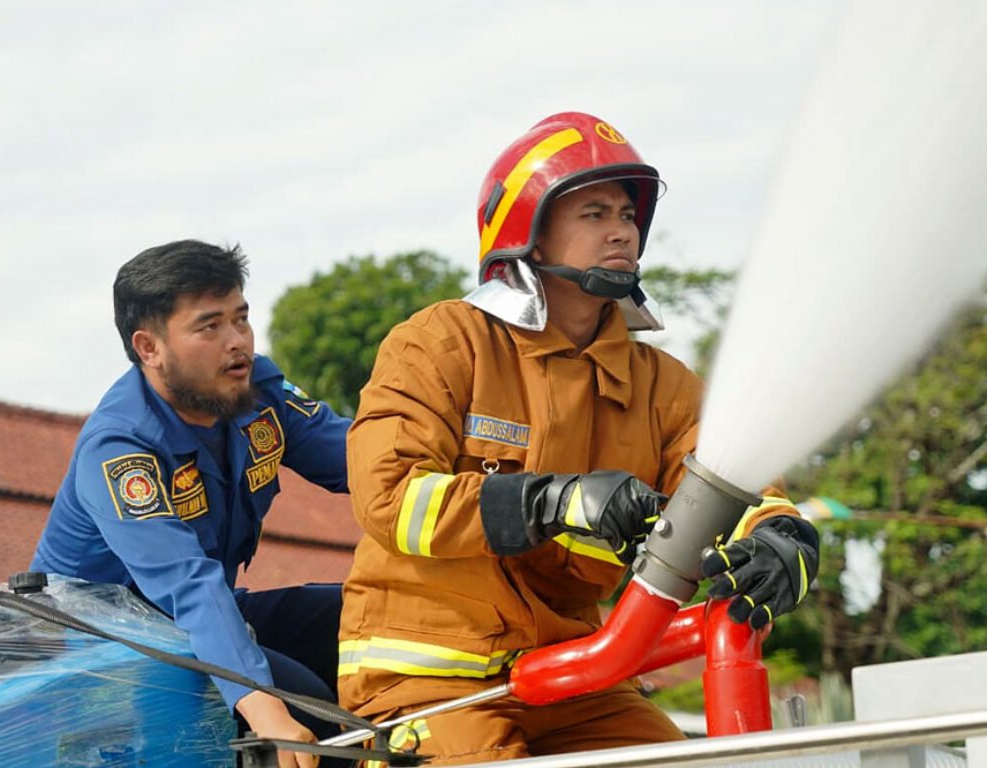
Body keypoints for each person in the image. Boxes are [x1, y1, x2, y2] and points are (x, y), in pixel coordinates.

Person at [337, 112, 820, 763]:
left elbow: (730, 483)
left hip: (575, 678)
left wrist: (779, 537)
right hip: (426, 681)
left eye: (627, 215)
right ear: (528, 236)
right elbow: (390, 498)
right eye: (594, 213)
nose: (621, 229)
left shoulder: (663, 385)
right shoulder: (441, 342)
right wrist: (553, 501)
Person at [32, 240, 352, 768]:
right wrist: (262, 707)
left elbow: (365, 460)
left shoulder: (258, 392)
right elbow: (188, 585)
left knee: (364, 613)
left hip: (194, 625)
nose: (238, 343)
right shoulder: (120, 447)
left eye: (241, 319)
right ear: (149, 347)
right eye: (210, 326)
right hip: (100, 658)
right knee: (306, 705)